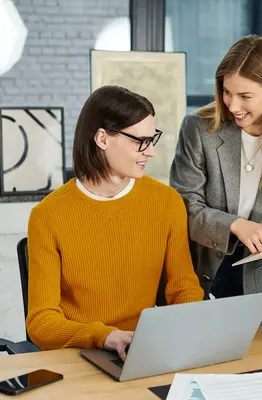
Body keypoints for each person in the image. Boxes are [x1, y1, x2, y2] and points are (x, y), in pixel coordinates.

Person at [26, 85, 204, 361]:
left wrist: (177, 333)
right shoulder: (48, 215)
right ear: (102, 138)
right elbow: (41, 322)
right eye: (139, 141)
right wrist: (103, 336)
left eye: (151, 140)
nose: (150, 152)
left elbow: (184, 289)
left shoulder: (166, 202)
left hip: (144, 350)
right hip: (80, 355)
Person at [169, 35, 262, 324]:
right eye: (227, 92)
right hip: (194, 279)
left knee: (254, 367)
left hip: (253, 288)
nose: (233, 105)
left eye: (245, 96)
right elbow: (184, 207)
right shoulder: (199, 129)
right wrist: (237, 226)